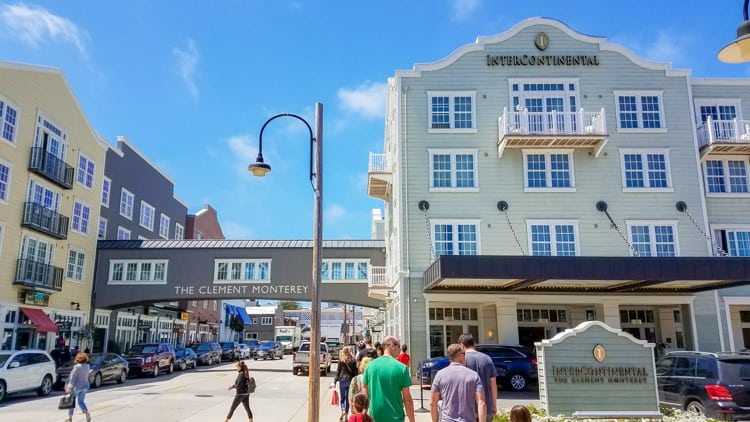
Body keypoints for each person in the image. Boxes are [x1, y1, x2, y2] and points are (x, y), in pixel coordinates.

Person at [362, 336, 415, 422]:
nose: (400, 350)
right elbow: (407, 399)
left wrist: (364, 414)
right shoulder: (402, 368)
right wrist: (412, 420)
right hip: (396, 418)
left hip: (375, 417)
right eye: (399, 346)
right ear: (391, 345)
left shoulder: (370, 366)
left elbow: (365, 392)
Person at [430, 343, 486, 422]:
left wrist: (435, 421)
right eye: (464, 354)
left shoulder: (440, 375)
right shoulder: (473, 375)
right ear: (460, 355)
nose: (465, 356)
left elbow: (433, 402)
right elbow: (481, 403)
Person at [459, 333, 498, 422]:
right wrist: (494, 405)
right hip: (486, 407)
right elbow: (493, 385)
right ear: (474, 344)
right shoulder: (487, 359)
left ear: (461, 345)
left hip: (467, 409)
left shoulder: (462, 360)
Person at [65, 352, 91, 422]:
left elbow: (73, 377)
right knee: (81, 402)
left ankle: (70, 418)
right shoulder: (87, 366)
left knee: (71, 402)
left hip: (77, 386)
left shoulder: (77, 366)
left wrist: (69, 387)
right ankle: (86, 413)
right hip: (85, 386)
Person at [334, 347, 358, 421]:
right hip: (350, 381)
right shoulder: (353, 360)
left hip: (342, 381)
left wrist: (335, 381)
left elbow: (338, 371)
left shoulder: (341, 360)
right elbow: (355, 372)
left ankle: (343, 410)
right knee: (348, 399)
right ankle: (346, 415)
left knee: (342, 398)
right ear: (350, 351)